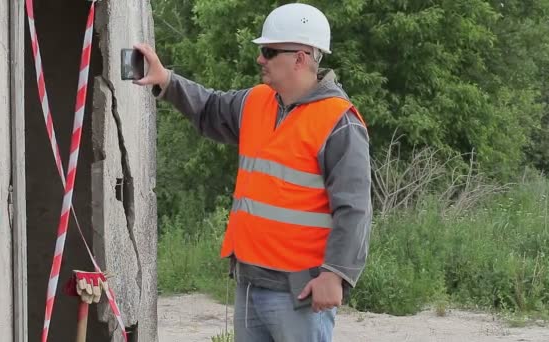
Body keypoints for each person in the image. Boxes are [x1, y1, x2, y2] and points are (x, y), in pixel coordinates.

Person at [134, 3, 372, 341]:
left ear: (300, 58)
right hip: (249, 284)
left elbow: (355, 207)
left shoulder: (339, 122)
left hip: (298, 294)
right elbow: (210, 107)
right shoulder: (256, 101)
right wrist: (167, 81)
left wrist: (336, 274)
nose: (260, 59)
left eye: (269, 51)